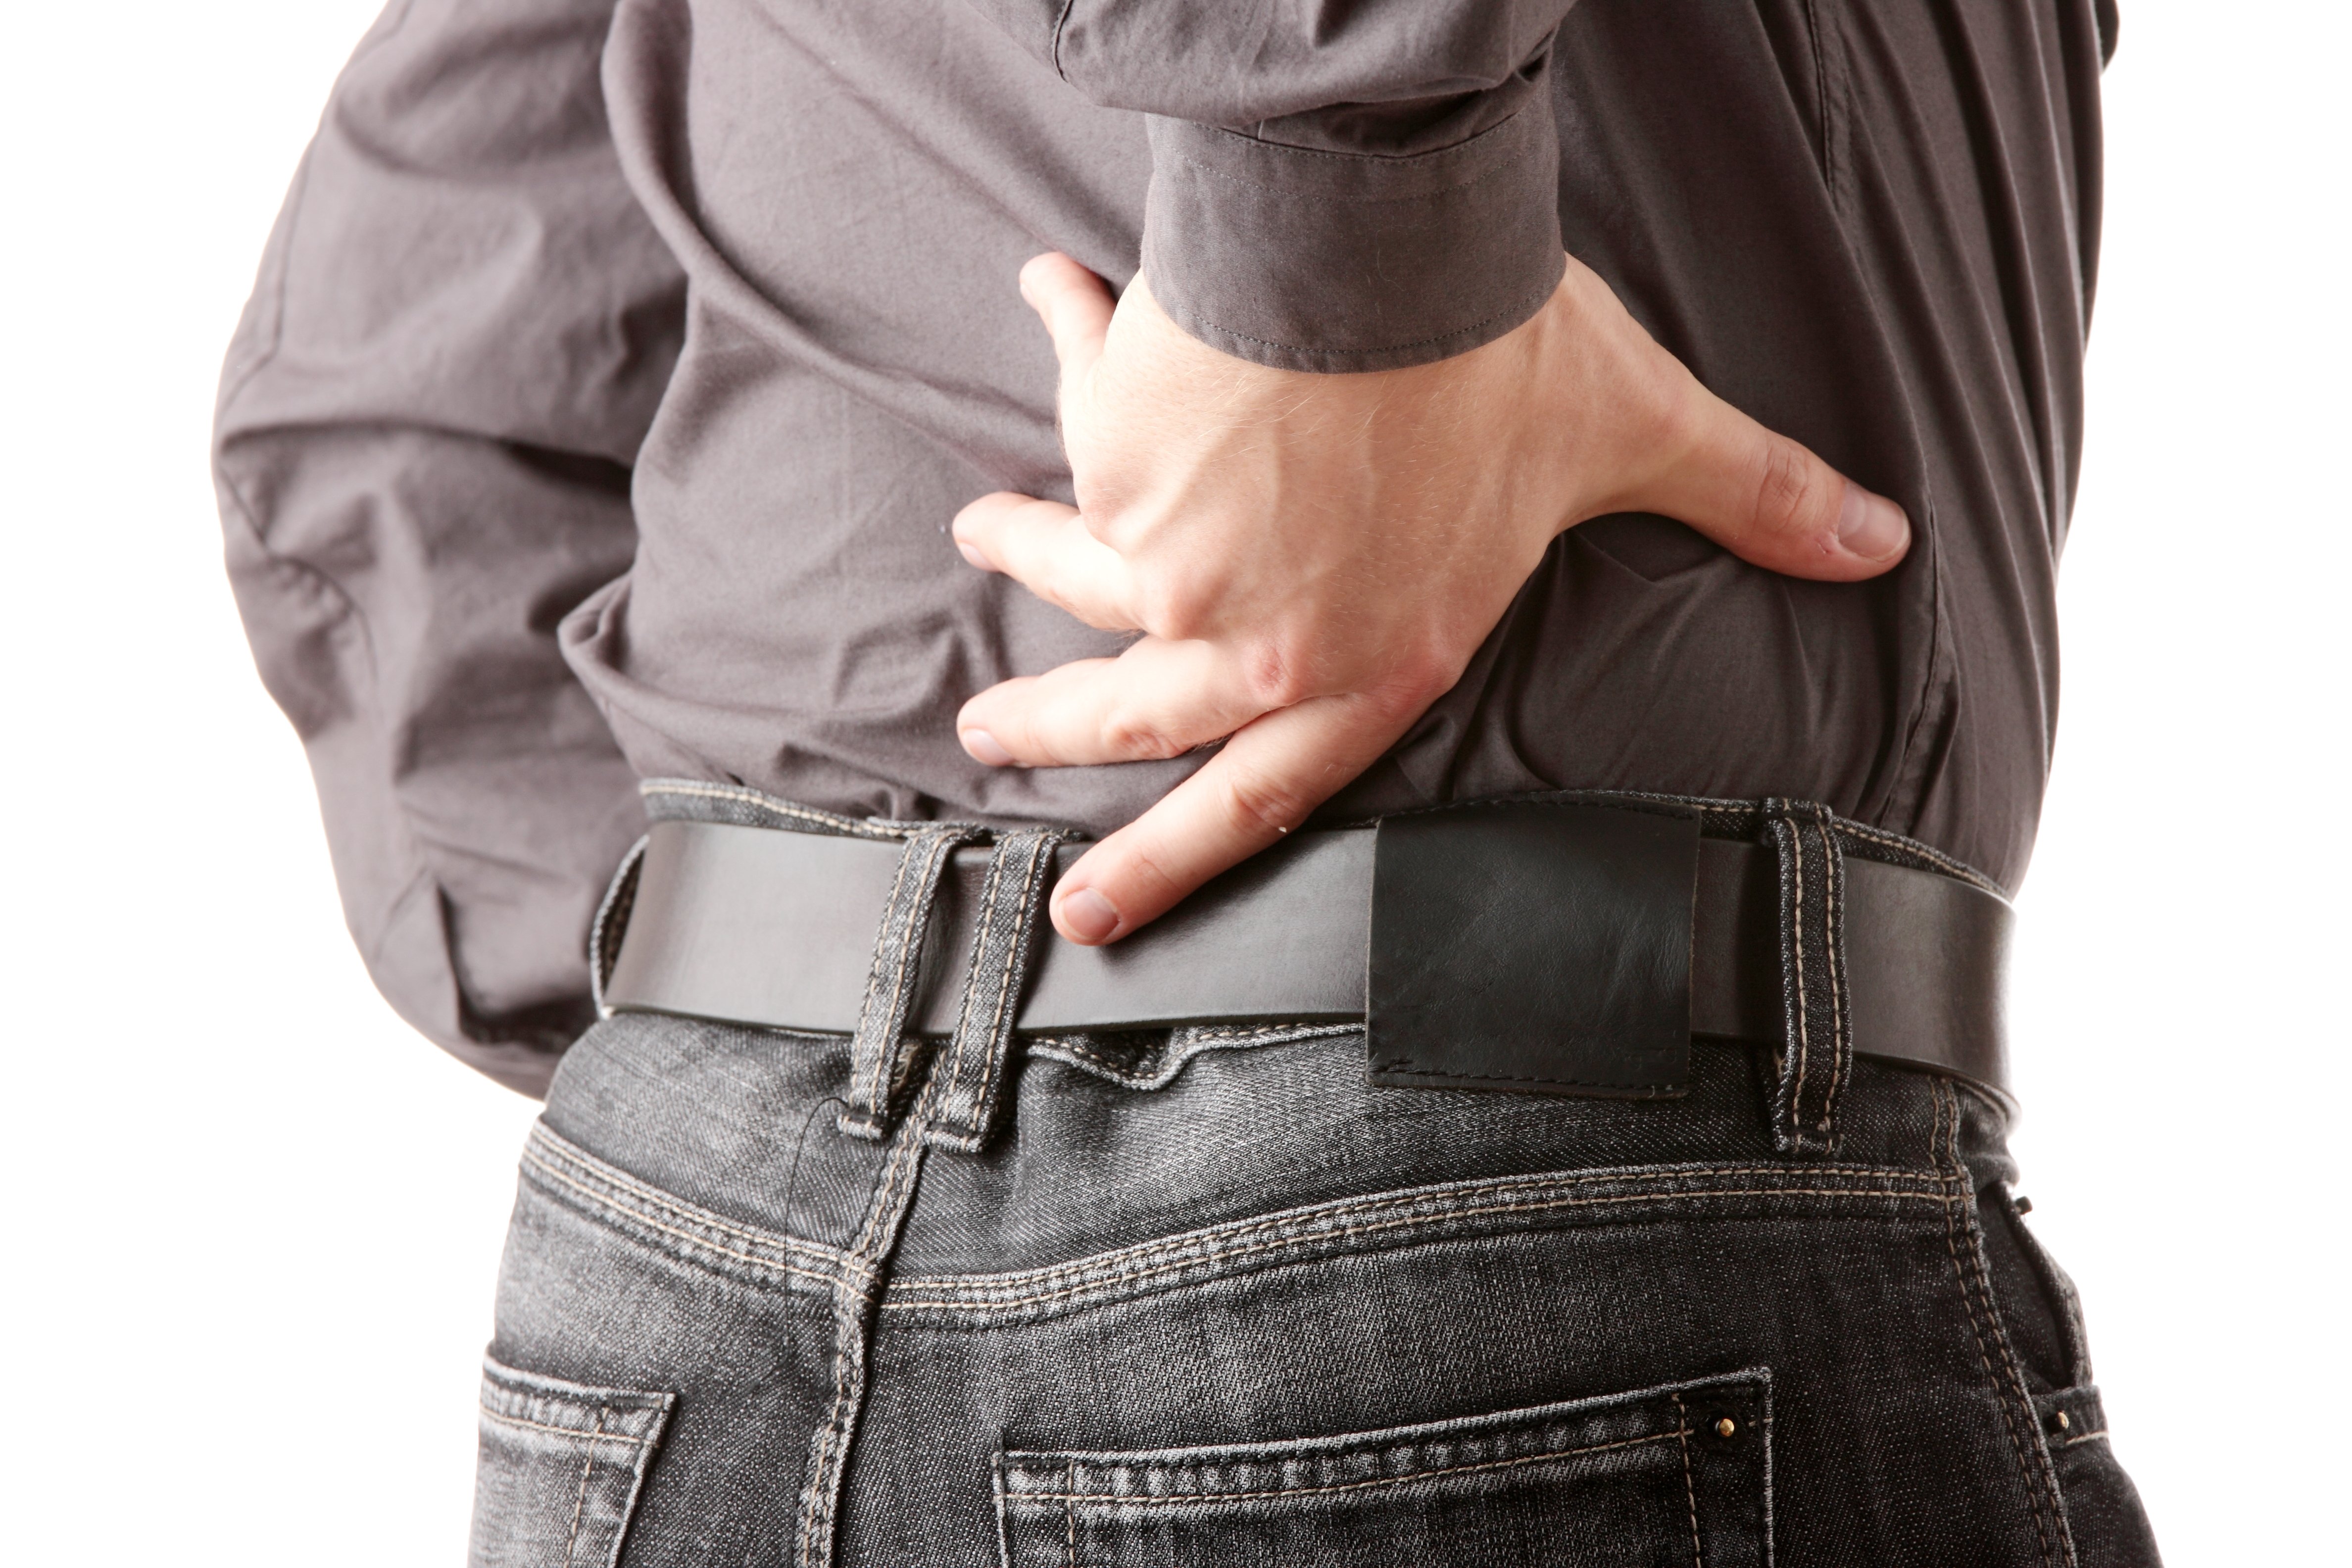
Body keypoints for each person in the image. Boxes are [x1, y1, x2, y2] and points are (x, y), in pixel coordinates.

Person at [214, 0, 2160, 1562]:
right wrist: (1343, 240)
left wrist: (743, 1013)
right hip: (1483, 1166)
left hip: (681, 1239)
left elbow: (406, 388)